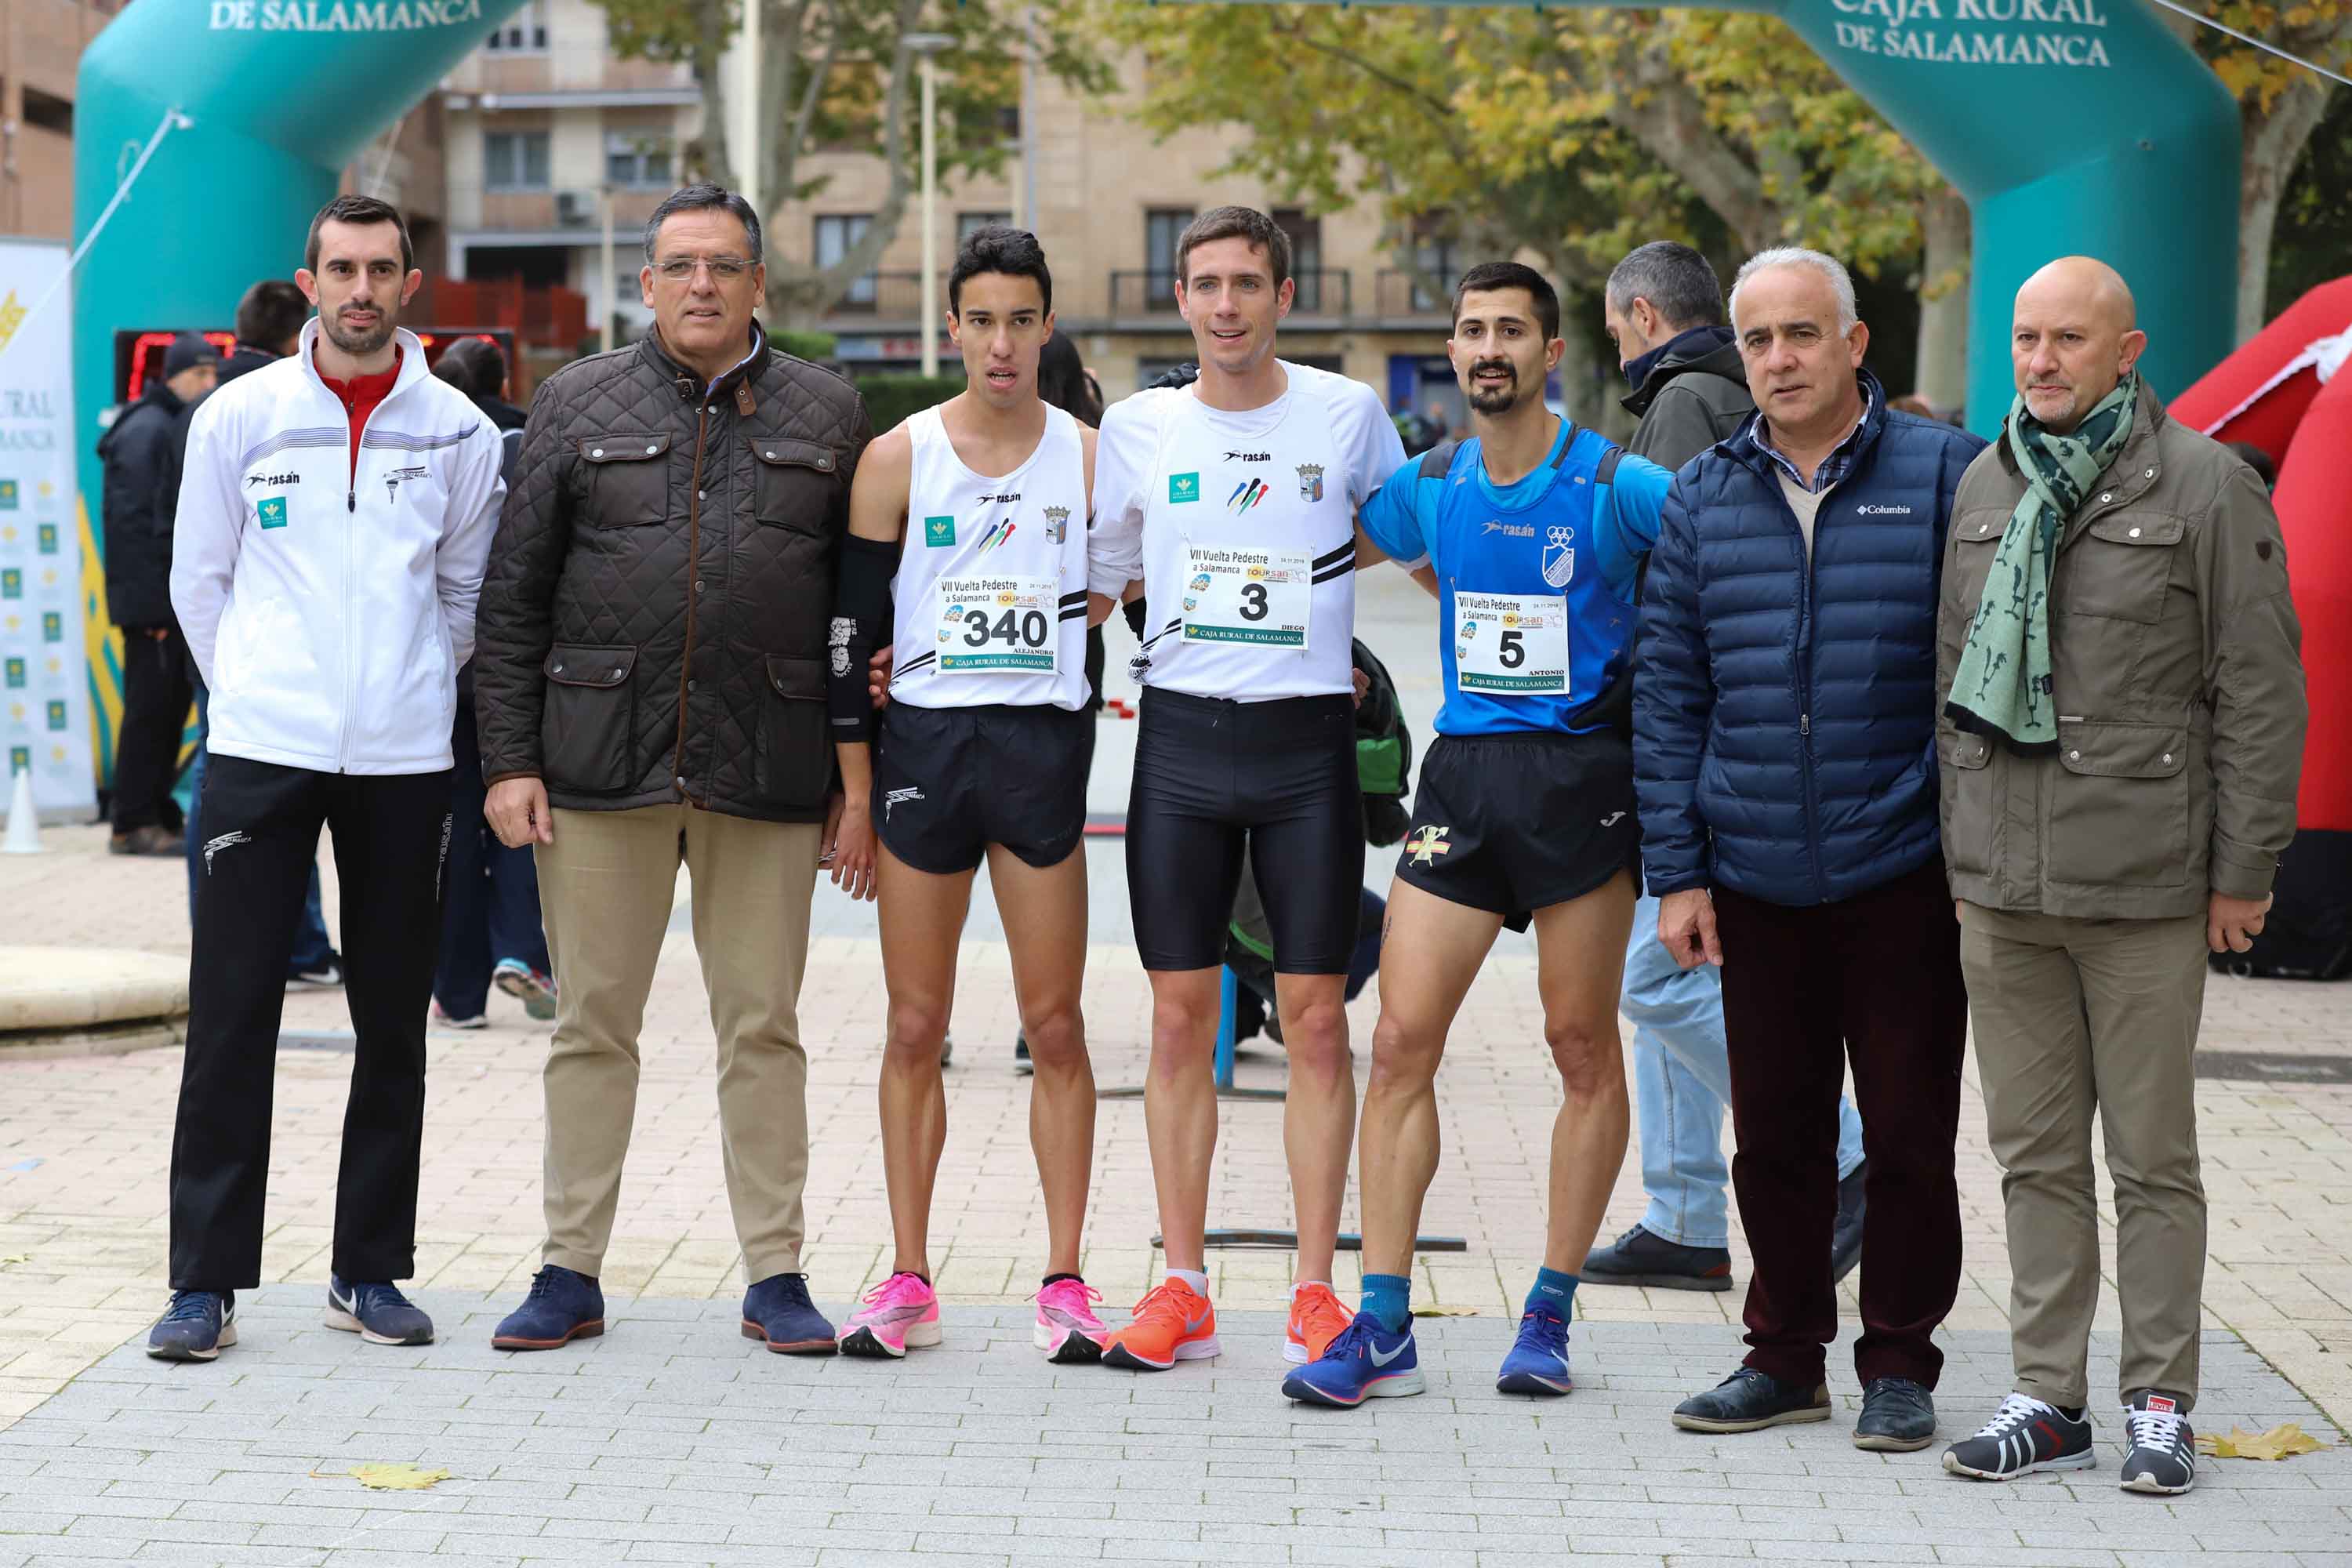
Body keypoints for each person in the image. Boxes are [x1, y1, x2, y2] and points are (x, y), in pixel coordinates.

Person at [474, 183, 872, 1358]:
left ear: (761, 284)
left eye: (726, 265)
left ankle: (778, 1273)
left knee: (765, 1025)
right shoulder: (576, 402)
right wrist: (508, 762)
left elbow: (867, 616)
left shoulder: (830, 410)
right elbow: (512, 604)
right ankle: (568, 1268)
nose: (703, 283)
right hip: (599, 770)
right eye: (680, 264)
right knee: (592, 1024)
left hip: (772, 767)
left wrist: (859, 783)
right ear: (644, 283)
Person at [1935, 258, 2306, 1494]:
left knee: (2152, 1160)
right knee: (2033, 1155)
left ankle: (2160, 1399)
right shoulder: (1986, 481)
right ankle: (2049, 1396)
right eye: (2026, 339)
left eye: (2068, 341)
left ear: (2129, 351)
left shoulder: (2208, 485)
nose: (2040, 361)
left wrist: (2243, 872)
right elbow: (1950, 689)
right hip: (2004, 890)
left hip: (2146, 887)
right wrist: (1959, 855)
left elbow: (2259, 694)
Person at [1283, 263, 1670, 1406]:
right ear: (1452, 354)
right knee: (1400, 1042)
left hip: (1584, 783)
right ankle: (1385, 1321)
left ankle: (1547, 1315)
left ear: (1554, 352)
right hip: (1464, 782)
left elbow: (1717, 557)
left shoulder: (1616, 483)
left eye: (1512, 330)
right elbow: (1313, 547)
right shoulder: (1433, 481)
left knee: (1580, 1046)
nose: (1488, 347)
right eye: (1471, 331)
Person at [1637, 246, 1984, 1450]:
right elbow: (1670, 694)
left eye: (1800, 334)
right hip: (1754, 873)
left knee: (1905, 1141)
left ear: (1854, 344)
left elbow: (1980, 673)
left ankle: (1899, 1363)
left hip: (1903, 872)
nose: (1779, 360)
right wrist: (1677, 870)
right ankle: (1783, 1356)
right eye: (1758, 341)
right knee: (1774, 1139)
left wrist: (1963, 849)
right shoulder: (1703, 494)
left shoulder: (1946, 475)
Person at [150, 194, 506, 1361]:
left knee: (391, 1018)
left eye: (382, 269)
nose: (361, 288)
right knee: (233, 1013)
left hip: (403, 758)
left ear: (412, 285)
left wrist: (407, 688)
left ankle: (369, 1268)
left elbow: (465, 596)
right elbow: (199, 581)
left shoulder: (455, 429)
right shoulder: (241, 417)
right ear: (309, 282)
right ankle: (203, 1284)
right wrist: (256, 688)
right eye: (341, 268)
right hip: (261, 752)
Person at [1087, 205, 1406, 1376]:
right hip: (1178, 746)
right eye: (1206, 284)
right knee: (1177, 1017)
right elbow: (1099, 566)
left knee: (1318, 1020)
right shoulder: (1138, 426)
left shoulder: (1345, 413)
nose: (1226, 305)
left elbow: (1406, 533)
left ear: (1283, 294)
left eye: (1247, 284)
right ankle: (1183, 1283)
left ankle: (1317, 1291)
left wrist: (1317, 575)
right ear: (1183, 298)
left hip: (1304, 749)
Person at [821, 227, 1108, 1362]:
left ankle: (1068, 1281)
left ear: (1046, 325)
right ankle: (907, 1277)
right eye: (980, 319)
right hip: (925, 764)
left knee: (1057, 1027)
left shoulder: (1091, 458)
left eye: (1020, 319)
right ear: (953, 327)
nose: (1001, 342)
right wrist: (853, 791)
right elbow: (848, 638)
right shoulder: (898, 456)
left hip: (1039, 761)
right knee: (912, 1026)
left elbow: (1148, 594)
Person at [1588, 239, 1867, 1293]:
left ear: (1647, 318)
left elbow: (1670, 611)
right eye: (1766, 337)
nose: (1780, 358)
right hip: (1737, 747)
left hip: (1701, 752)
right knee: (1676, 962)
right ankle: (1687, 1210)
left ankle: (1845, 1152)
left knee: (1657, 971)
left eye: (1618, 334)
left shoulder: (1673, 409)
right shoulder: (1724, 404)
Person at [182, 282, 343, 986]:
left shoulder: (194, 409)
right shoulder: (251, 411)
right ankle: (298, 947)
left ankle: (236, 940)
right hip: (248, 652)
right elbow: (198, 563)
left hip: (224, 644)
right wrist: (239, 674)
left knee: (216, 786)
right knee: (261, 790)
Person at [429, 347, 554, 1029]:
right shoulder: (530, 442)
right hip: (517, 670)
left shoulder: (430, 443)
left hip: (445, 670)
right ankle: (524, 952)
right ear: (505, 383)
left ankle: (458, 990)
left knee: (451, 833)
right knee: (519, 814)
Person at [100, 332, 215, 855]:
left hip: (159, 606)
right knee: (150, 712)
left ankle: (153, 810)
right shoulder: (148, 432)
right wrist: (155, 610)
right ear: (181, 375)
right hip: (152, 610)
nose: (212, 385)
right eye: (205, 375)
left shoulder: (160, 425)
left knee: (165, 711)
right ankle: (132, 821)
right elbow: (137, 530)